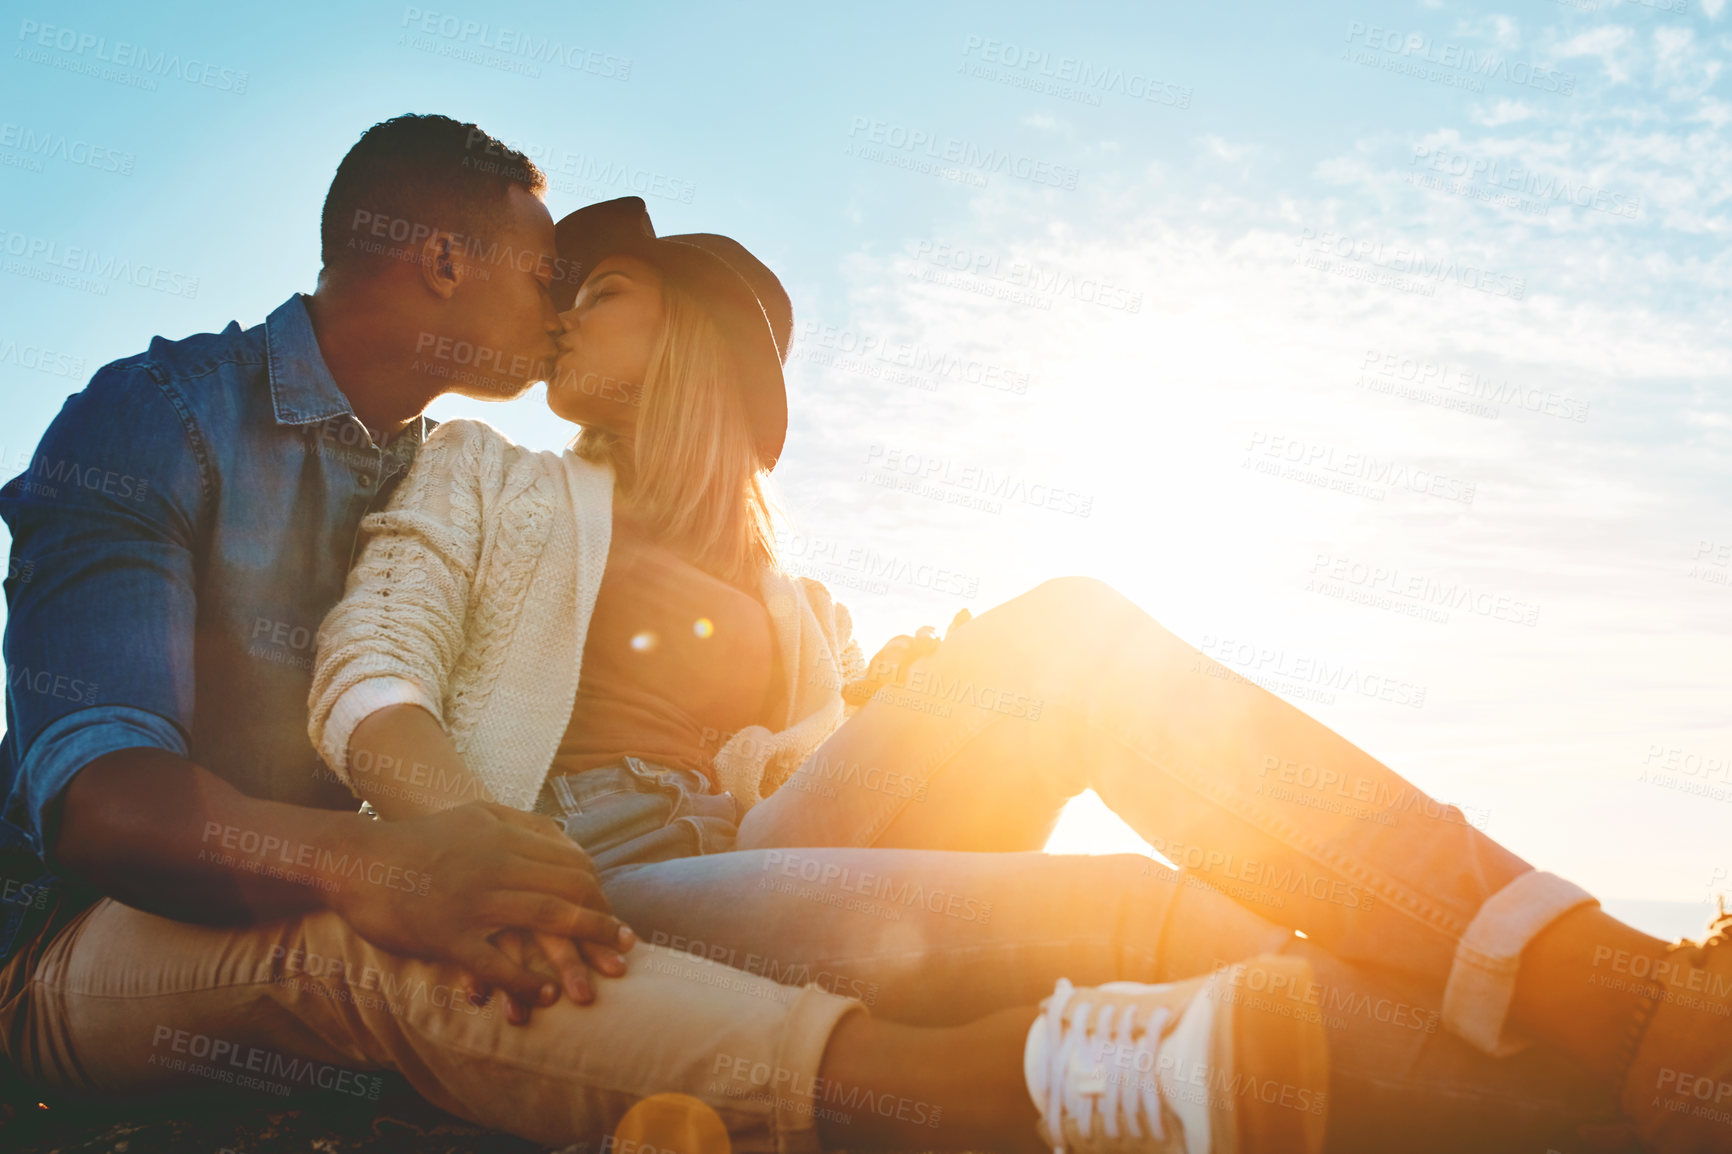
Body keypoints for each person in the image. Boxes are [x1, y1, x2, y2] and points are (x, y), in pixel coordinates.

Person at [302, 194, 1732, 1154]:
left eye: (596, 291)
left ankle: (1617, 1021)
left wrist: (885, 713)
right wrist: (449, 830)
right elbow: (373, 663)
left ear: (690, 333)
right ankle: (1625, 1019)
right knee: (1138, 913)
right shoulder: (484, 474)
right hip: (595, 881)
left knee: (1068, 642)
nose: (558, 315)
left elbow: (794, 801)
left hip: (750, 856)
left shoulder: (804, 598)